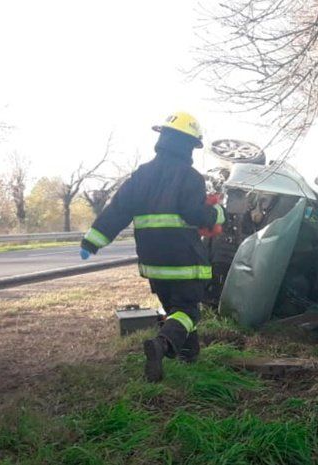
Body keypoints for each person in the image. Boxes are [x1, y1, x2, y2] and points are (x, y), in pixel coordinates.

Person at [79, 112, 224, 382]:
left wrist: (93, 241)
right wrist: (217, 213)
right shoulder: (190, 177)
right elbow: (194, 214)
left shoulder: (142, 175)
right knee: (189, 312)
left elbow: (118, 210)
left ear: (163, 138)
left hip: (153, 264)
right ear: (189, 145)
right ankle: (162, 344)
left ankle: (188, 355)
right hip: (183, 261)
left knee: (176, 311)